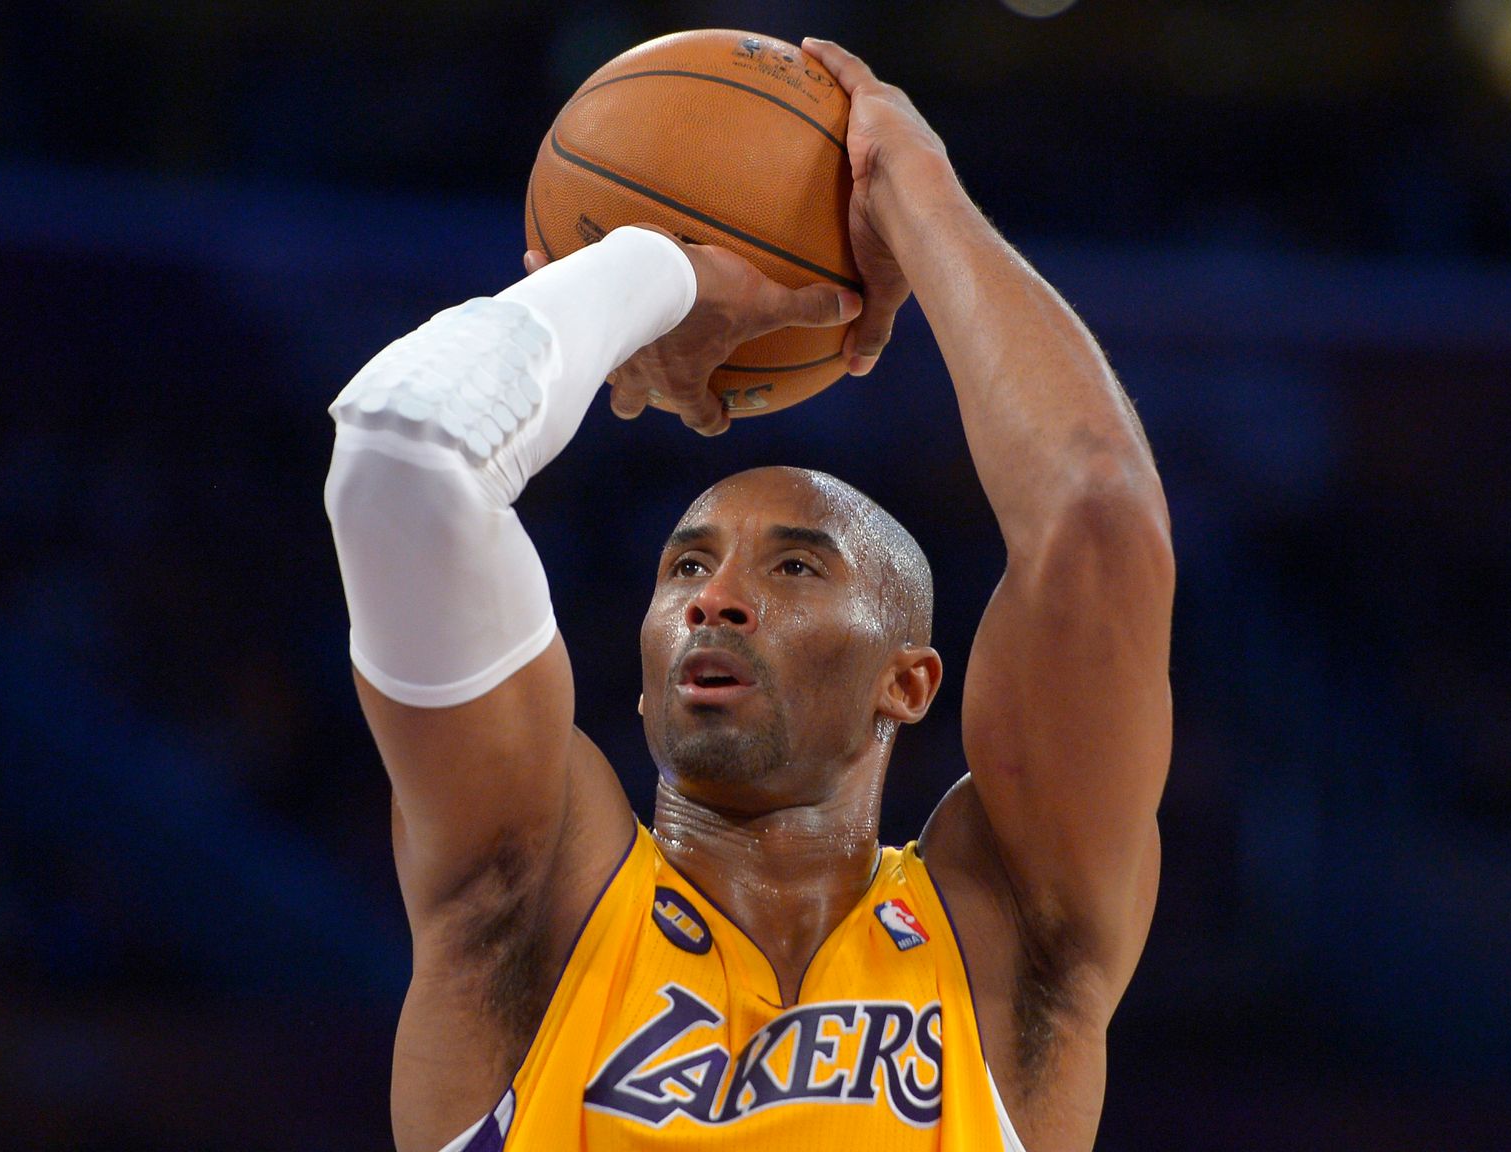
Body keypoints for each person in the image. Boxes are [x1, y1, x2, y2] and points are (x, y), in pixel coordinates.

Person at [324, 39, 1173, 1152]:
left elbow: (1098, 522)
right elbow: (401, 454)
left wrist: (913, 194)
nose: (712, 600)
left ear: (908, 682)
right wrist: (666, 273)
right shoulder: (530, 895)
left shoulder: (1003, 936)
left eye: (792, 566)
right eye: (683, 567)